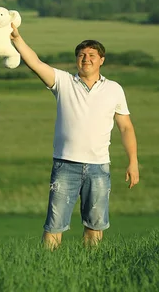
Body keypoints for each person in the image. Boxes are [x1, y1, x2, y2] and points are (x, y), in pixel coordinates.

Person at [10, 24, 140, 249]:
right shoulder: (63, 82)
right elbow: (35, 63)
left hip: (99, 167)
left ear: (102, 60)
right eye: (81, 55)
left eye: (91, 55)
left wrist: (133, 162)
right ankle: (47, 270)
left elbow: (126, 127)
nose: (86, 59)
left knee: (95, 226)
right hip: (65, 165)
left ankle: (90, 270)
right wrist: (16, 39)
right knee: (54, 226)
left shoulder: (114, 89)